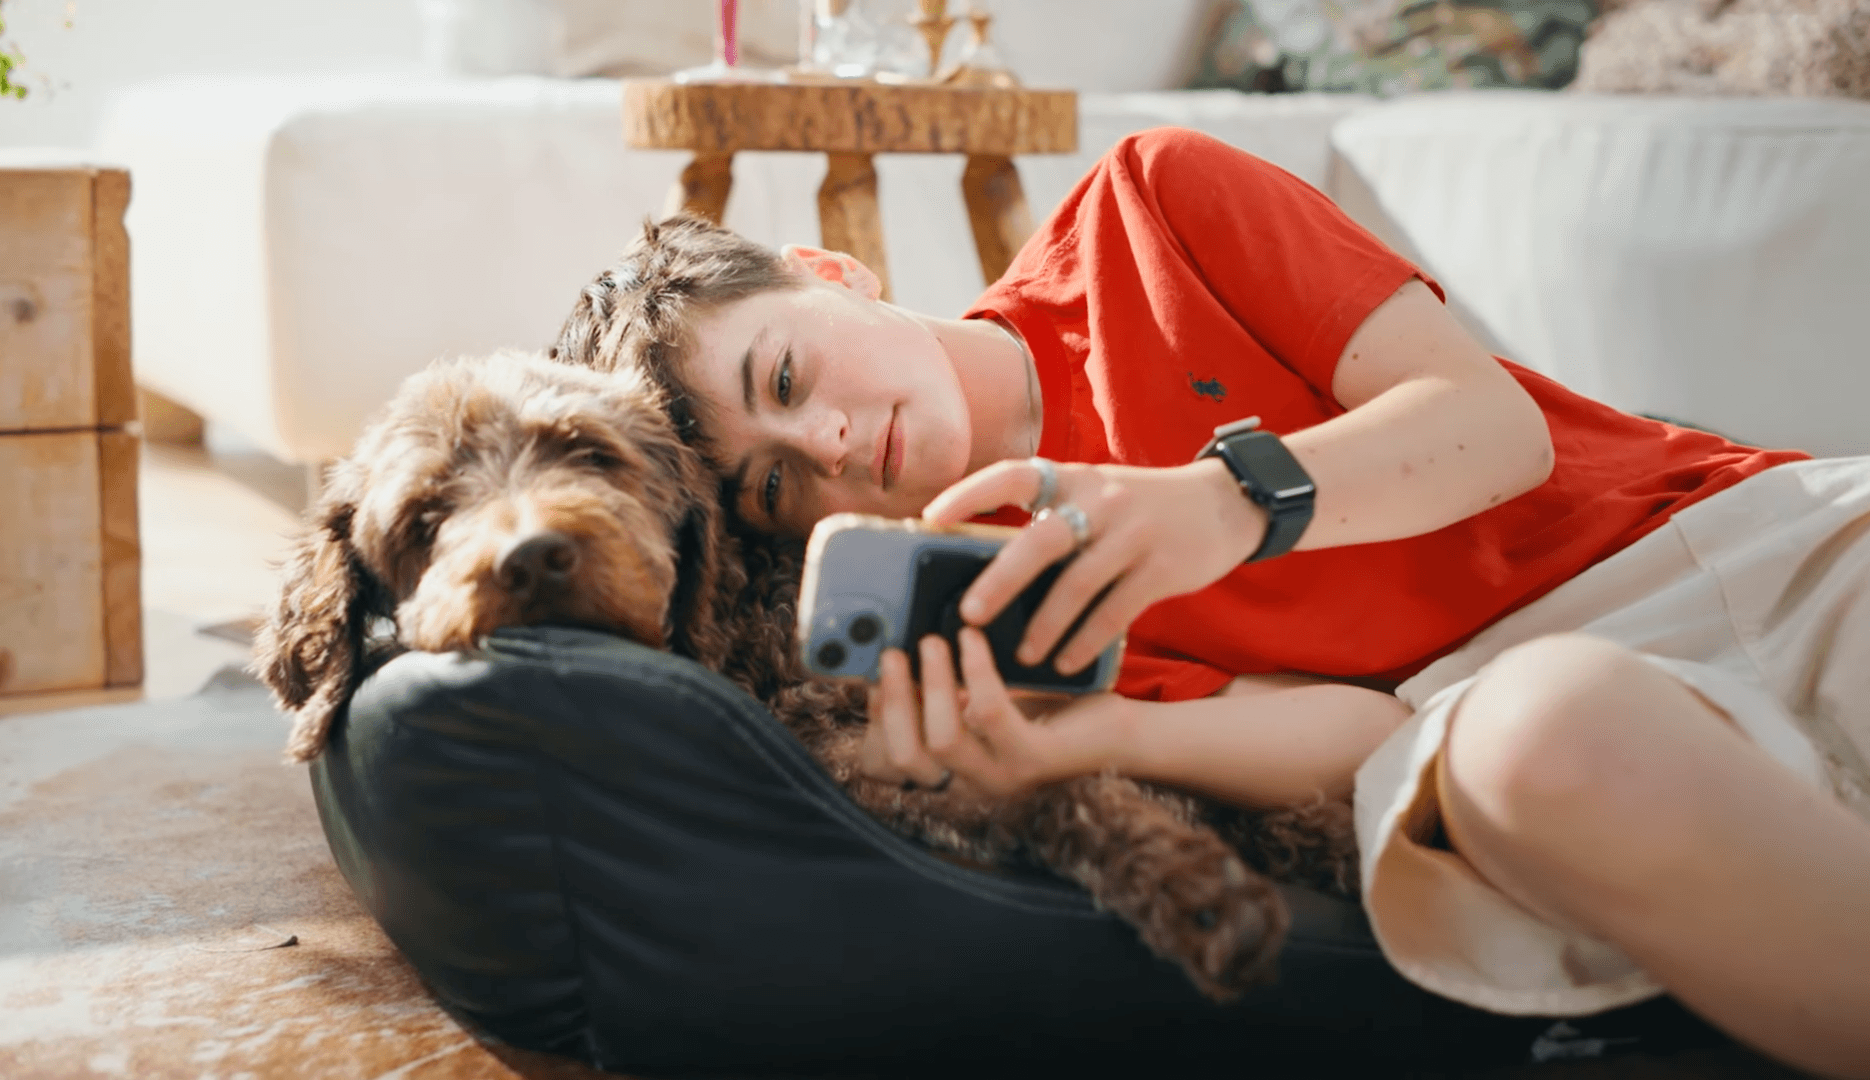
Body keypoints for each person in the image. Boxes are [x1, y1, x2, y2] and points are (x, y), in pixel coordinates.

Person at [554, 128, 1870, 1078]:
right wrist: (1090, 741)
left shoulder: (1153, 205)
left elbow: (1494, 431)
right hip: (1512, 717)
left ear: (830, 271)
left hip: (1730, 540)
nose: (830, 445)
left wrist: (1227, 503)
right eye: (775, 484)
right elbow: (1362, 734)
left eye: (787, 378)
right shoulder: (983, 606)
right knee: (1536, 742)